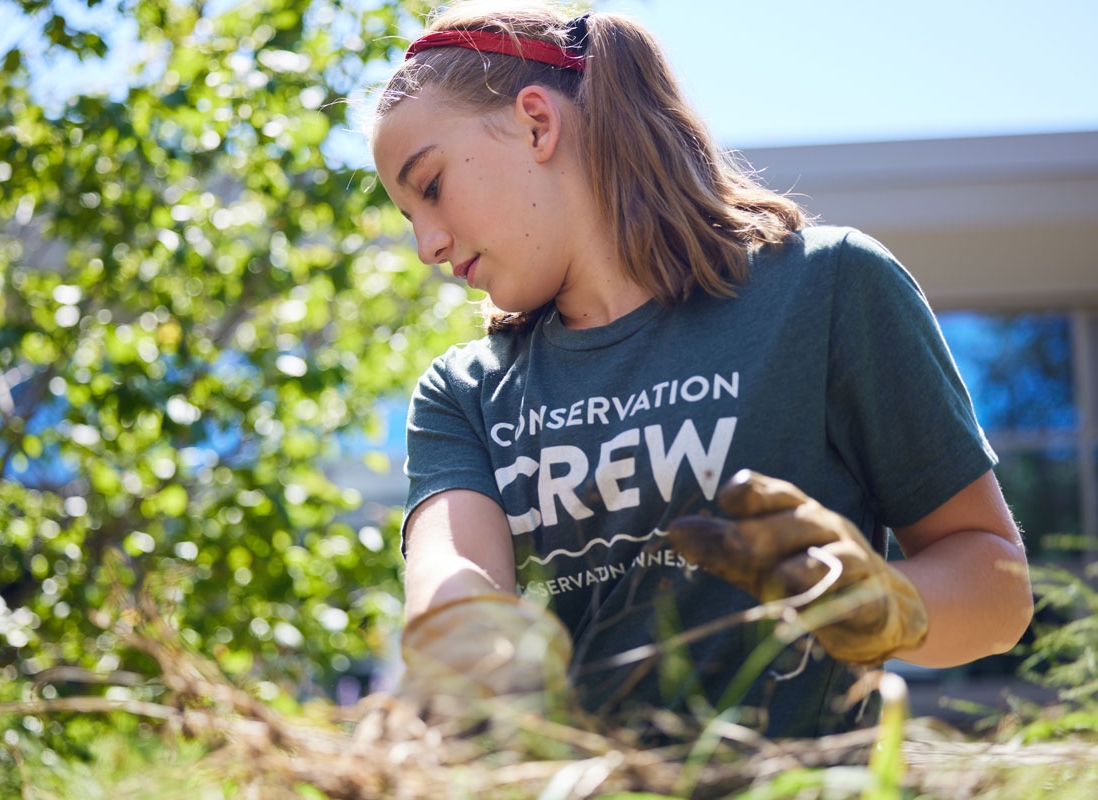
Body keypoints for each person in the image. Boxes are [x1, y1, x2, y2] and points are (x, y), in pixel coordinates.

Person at [366, 0, 1034, 740]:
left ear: (536, 123)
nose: (427, 244)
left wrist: (884, 603)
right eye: (408, 218)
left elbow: (997, 591)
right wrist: (463, 642)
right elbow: (452, 572)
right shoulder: (464, 392)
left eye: (429, 186)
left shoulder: (828, 288)